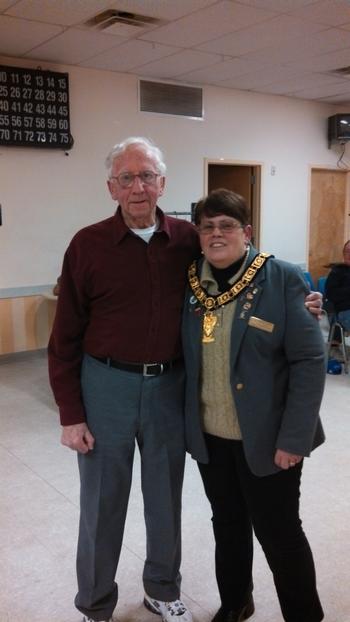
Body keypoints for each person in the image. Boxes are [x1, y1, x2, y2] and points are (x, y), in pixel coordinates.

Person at [48, 138, 322, 622]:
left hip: (169, 390)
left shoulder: (184, 242)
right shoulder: (86, 245)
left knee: (164, 497)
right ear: (112, 187)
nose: (139, 187)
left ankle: (161, 587)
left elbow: (248, 275)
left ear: (163, 184)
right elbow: (64, 335)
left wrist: (301, 302)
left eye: (148, 176)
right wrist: (71, 413)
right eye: (127, 178)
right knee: (102, 502)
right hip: (105, 385)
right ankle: (94, 603)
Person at [182, 189, 326, 622]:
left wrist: (294, 439)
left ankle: (305, 616)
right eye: (207, 227)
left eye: (226, 225)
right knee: (227, 527)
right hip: (212, 437)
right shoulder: (190, 283)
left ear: (247, 232)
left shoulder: (281, 277)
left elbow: (309, 359)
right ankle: (236, 602)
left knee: (279, 534)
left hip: (270, 440)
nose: (216, 234)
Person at [325, 239, 350, 331]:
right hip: (345, 311)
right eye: (347, 251)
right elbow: (331, 294)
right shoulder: (337, 271)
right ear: (343, 254)